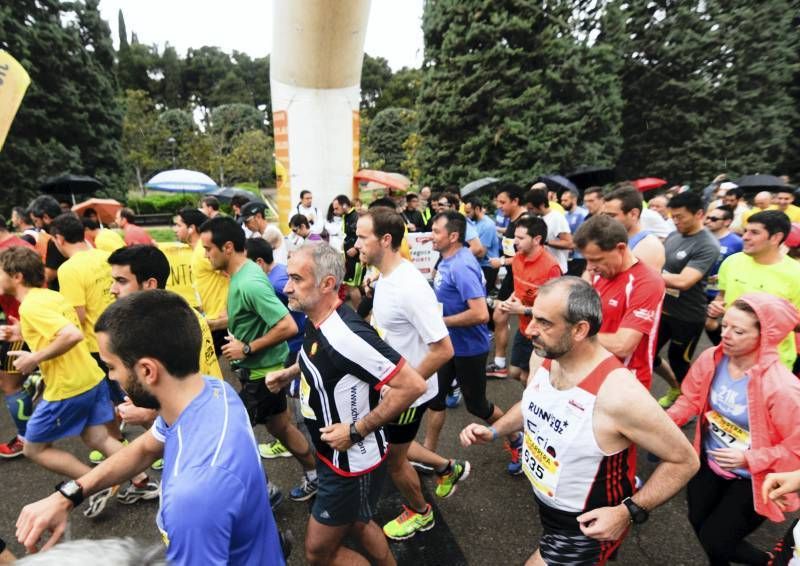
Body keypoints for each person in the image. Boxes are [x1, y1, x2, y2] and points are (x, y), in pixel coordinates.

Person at [15, 290, 286, 564]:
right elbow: (145, 448)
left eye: (111, 367)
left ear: (147, 370)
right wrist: (68, 495)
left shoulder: (192, 496)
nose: (110, 376)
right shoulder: (214, 391)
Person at [459, 277, 699, 566]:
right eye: (533, 317)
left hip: (585, 527)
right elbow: (532, 403)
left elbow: (685, 460)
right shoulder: (545, 357)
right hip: (548, 507)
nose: (530, 330)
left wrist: (628, 512)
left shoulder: (619, 394)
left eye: (544, 323)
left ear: (580, 330)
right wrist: (495, 430)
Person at [264, 243, 427, 566]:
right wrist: (291, 372)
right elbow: (324, 355)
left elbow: (413, 385)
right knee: (359, 522)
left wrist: (355, 430)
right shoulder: (317, 315)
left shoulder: (347, 334)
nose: (286, 287)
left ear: (327, 284)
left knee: (318, 553)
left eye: (296, 279)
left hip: (350, 462)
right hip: (332, 453)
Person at [0, 247, 155, 518]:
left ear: (17, 276)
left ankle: (93, 485)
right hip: (90, 379)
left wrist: (33, 358)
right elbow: (56, 327)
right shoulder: (48, 297)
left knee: (33, 448)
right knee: (97, 437)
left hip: (66, 389)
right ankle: (141, 481)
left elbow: (71, 334)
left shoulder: (31, 306)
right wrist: (20, 331)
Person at [355, 208, 469, 541]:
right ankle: (449, 467)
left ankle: (421, 513)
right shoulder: (387, 276)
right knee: (395, 445)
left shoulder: (409, 287)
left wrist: (403, 387)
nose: (356, 243)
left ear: (385, 240)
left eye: (363, 236)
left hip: (408, 390)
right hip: (397, 383)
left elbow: (443, 349)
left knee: (393, 459)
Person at [668, 293, 800, 566]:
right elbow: (691, 399)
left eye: (738, 331)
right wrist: (662, 424)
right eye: (724, 325)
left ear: (765, 337)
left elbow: (796, 448)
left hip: (754, 478)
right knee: (699, 524)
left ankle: (767, 561)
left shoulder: (783, 389)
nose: (725, 334)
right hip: (708, 460)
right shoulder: (712, 358)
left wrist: (749, 459)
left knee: (717, 539)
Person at [199, 217, 317, 503]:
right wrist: (210, 325)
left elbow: (288, 326)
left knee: (230, 437)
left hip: (261, 376)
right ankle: (316, 476)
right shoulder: (243, 273)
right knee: (281, 428)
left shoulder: (249, 282)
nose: (205, 255)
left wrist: (247, 349)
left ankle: (267, 492)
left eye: (208, 248)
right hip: (262, 372)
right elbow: (249, 316)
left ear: (227, 247)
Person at [426, 211, 522, 474]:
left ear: (453, 236)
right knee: (436, 399)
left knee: (477, 405)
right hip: (447, 346)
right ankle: (428, 452)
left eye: (436, 232)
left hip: (469, 348)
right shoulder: (447, 259)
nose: (430, 236)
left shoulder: (461, 265)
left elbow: (480, 314)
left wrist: (441, 322)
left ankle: (516, 439)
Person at [48, 214, 130, 467]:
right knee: (129, 394)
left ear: (59, 239)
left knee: (119, 396)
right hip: (122, 330)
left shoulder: (68, 269)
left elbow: (78, 314)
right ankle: (122, 440)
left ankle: (148, 446)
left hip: (98, 344)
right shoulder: (104, 256)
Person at [574, 215, 665, 390]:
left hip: (625, 380)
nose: (590, 266)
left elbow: (623, 345)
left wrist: (571, 333)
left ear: (621, 248)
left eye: (596, 259)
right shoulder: (600, 273)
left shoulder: (646, 282)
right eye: (587, 259)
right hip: (592, 369)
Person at [708, 210, 800, 371]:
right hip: (731, 355)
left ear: (776, 238)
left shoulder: (796, 274)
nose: (745, 237)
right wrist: (714, 311)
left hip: (773, 364)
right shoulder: (732, 262)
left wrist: (762, 320)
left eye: (754, 232)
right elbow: (720, 297)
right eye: (745, 231)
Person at [654, 191, 720, 408]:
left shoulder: (707, 244)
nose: (675, 221)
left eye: (680, 216)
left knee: (679, 360)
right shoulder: (674, 235)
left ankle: (691, 404)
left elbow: (684, 281)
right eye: (672, 216)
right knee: (648, 355)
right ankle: (677, 388)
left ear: (699, 213)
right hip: (663, 310)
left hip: (688, 316)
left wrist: (650, 274)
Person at [244, 237, 307, 459]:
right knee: (290, 393)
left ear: (259, 262)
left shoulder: (276, 282)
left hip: (295, 344)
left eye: (245, 265)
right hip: (294, 343)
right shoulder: (277, 273)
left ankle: (301, 441)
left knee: (294, 392)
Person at [496, 216, 561, 384]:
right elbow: (519, 288)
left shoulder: (551, 267)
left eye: (520, 238)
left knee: (529, 377)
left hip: (542, 332)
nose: (515, 242)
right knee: (515, 372)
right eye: (515, 237)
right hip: (524, 328)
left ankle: (532, 406)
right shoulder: (517, 258)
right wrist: (510, 300)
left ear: (537, 239)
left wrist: (522, 310)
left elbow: (555, 310)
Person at [487, 182, 529, 378]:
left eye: (503, 202)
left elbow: (530, 254)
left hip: (524, 279)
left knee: (504, 316)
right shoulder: (512, 221)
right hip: (513, 276)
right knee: (500, 316)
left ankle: (505, 363)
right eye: (498, 202)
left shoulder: (526, 222)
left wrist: (502, 261)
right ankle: (501, 363)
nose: (499, 206)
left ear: (516, 201)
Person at [173, 208, 229, 356]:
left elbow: (232, 273)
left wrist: (227, 309)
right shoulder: (199, 250)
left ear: (191, 228)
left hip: (219, 319)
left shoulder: (202, 252)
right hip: (212, 316)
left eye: (179, 225)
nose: (175, 229)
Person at [703, 205, 743, 344]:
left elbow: (744, 264)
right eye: (707, 218)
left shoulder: (738, 242)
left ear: (727, 221)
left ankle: (724, 346)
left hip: (720, 294)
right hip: (699, 290)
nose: (708, 221)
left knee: (715, 325)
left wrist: (726, 276)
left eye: (713, 219)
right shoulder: (703, 237)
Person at [602, 185, 665, 271]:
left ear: (633, 214)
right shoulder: (613, 238)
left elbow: (641, 282)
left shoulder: (649, 246)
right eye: (604, 215)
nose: (605, 220)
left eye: (612, 215)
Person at [523, 187, 572, 274]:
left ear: (541, 205)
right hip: (542, 269)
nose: (529, 211)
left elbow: (569, 243)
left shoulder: (557, 218)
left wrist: (545, 242)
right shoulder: (538, 217)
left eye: (531, 208)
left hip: (556, 269)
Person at [26, 195, 67, 289]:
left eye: (36, 221)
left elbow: (48, 275)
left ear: (46, 217)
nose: (37, 227)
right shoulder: (72, 227)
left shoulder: (55, 240)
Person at [465, 198, 500, 293]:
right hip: (477, 265)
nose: (466, 215)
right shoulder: (473, 222)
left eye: (468, 212)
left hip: (487, 267)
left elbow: (481, 253)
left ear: (477, 209)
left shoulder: (488, 225)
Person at [560, 188, 589, 276]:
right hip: (567, 255)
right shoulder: (564, 215)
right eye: (562, 200)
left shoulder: (583, 214)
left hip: (580, 256)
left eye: (565, 200)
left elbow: (583, 234)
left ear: (574, 199)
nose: (562, 203)